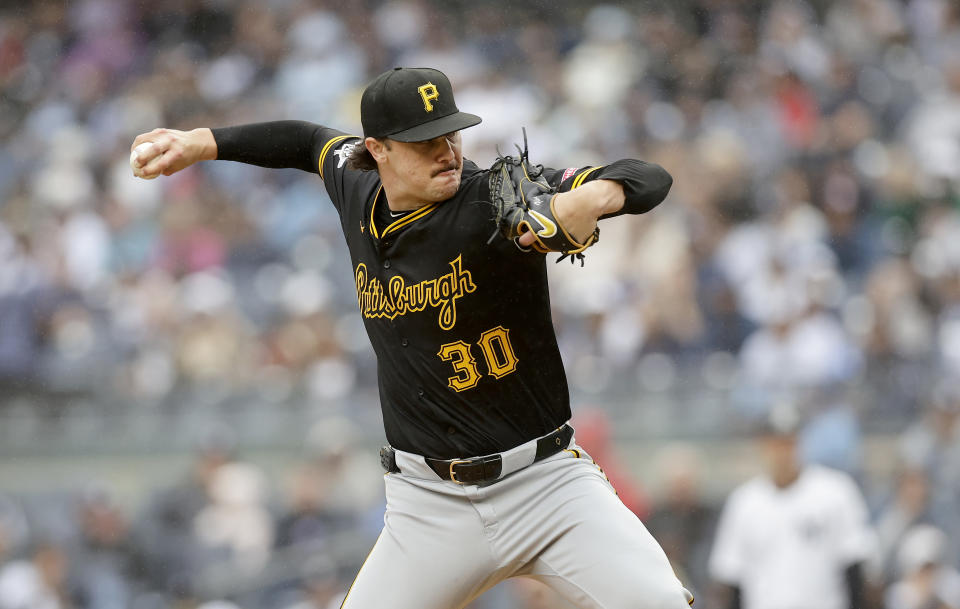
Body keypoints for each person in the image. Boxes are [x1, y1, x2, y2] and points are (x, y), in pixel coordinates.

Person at [131, 66, 690, 609]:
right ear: (378, 150)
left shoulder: (496, 200)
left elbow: (648, 178)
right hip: (432, 505)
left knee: (661, 601)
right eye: (425, 142)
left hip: (548, 485)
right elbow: (302, 141)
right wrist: (201, 142)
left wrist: (594, 197)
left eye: (450, 134)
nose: (446, 152)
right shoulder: (353, 183)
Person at [708, 401, 876, 609]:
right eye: (775, 443)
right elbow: (731, 580)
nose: (782, 452)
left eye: (789, 442)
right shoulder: (744, 502)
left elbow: (855, 569)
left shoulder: (835, 492)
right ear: (763, 445)